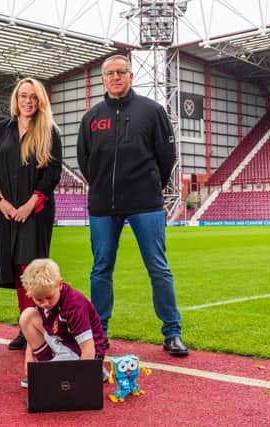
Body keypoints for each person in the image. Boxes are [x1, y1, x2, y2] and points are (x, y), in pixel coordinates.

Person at [76, 54, 188, 357]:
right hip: (103, 205)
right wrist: (100, 184)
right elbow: (84, 161)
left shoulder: (152, 111)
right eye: (110, 73)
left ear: (131, 75)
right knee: (101, 269)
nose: (115, 77)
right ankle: (100, 332)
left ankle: (172, 332)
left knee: (158, 267)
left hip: (145, 203)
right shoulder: (91, 117)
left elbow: (167, 156)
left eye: (121, 72)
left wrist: (151, 184)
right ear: (103, 79)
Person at [0, 77, 62, 351]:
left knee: (33, 271)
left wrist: (29, 205)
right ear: (16, 99)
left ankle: (41, 326)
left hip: (35, 212)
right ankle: (25, 326)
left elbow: (52, 174)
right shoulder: (1, 130)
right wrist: (0, 201)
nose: (27, 101)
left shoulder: (49, 131)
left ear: (40, 101)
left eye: (33, 97)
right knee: (16, 270)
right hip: (6, 212)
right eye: (23, 96)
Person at [18, 258, 107, 388]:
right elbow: (31, 338)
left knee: (48, 383)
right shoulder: (41, 293)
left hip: (83, 351)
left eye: (49, 297)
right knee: (27, 316)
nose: (45, 304)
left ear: (60, 284)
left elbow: (88, 347)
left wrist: (82, 380)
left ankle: (95, 371)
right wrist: (28, 358)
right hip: (62, 341)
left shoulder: (74, 306)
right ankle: (50, 364)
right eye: (39, 300)